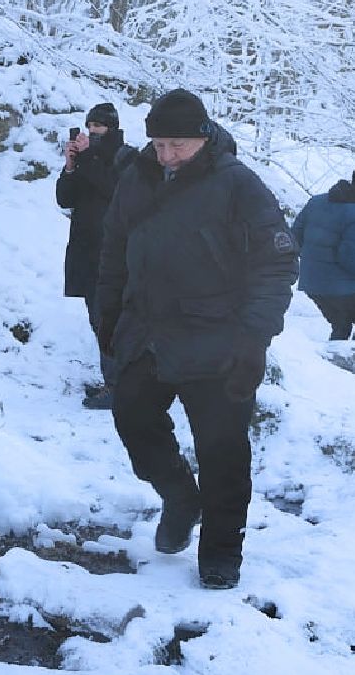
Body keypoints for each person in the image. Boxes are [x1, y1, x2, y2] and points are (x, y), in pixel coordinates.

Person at [95, 89, 298, 590]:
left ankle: (222, 553)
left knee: (223, 451)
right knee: (133, 418)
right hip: (147, 333)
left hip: (219, 339)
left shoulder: (237, 184)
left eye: (177, 145)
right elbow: (113, 252)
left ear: (203, 138)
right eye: (159, 144)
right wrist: (108, 323)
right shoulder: (136, 179)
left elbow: (276, 264)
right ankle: (181, 497)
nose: (166, 156)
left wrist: (254, 339)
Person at [55, 102, 137, 408]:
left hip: (116, 258)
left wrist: (88, 157)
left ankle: (120, 388)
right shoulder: (89, 158)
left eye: (99, 126)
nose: (92, 131)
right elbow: (65, 198)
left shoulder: (126, 157)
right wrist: (70, 167)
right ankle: (115, 383)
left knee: (111, 322)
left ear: (112, 128)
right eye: (89, 126)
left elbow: (115, 189)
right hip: (86, 253)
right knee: (98, 320)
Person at [290, 162, 355, 341]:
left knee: (341, 325)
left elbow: (295, 237)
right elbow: (348, 255)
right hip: (340, 285)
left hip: (311, 281)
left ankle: (334, 367)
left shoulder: (316, 202)